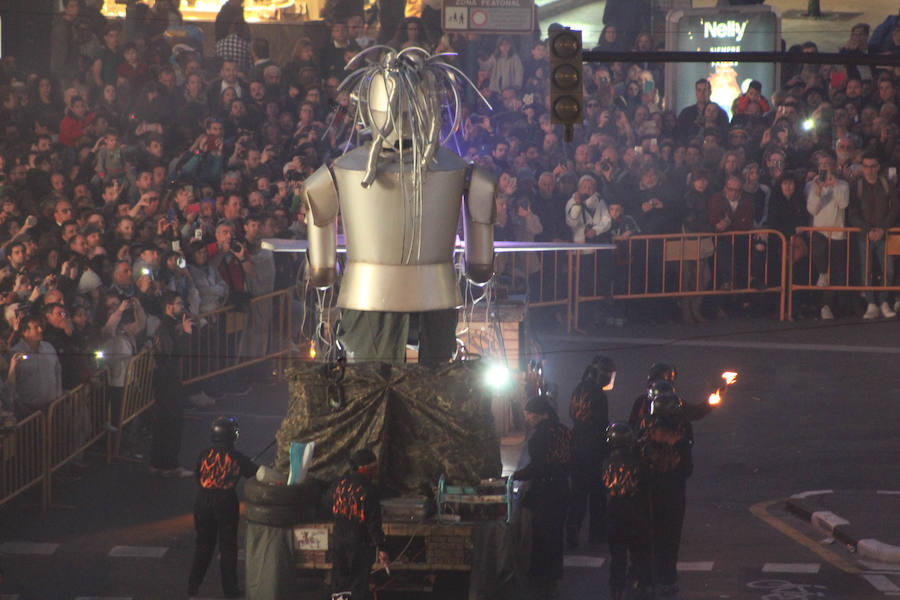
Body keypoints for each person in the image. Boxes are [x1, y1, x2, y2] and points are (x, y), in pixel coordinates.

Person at [188, 416, 259, 598]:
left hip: (202, 501)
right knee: (227, 548)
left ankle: (193, 587)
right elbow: (256, 472)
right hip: (226, 502)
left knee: (203, 544)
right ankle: (230, 590)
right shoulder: (236, 457)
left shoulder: (204, 454)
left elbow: (197, 476)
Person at [512, 396, 571, 599]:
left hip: (545, 492)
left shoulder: (539, 436)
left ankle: (541, 578)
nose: (528, 417)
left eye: (530, 414)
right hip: (562, 488)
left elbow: (536, 468)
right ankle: (554, 575)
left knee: (541, 536)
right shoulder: (563, 430)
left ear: (540, 414)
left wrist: (514, 477)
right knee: (556, 534)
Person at [638, 386, 692, 597]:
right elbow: (687, 470)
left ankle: (645, 578)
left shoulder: (645, 435)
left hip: (648, 495)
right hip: (673, 496)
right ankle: (667, 578)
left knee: (648, 537)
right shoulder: (681, 440)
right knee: (669, 539)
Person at [567, 356, 615, 548]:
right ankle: (597, 535)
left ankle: (573, 529)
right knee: (597, 495)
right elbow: (601, 423)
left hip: (577, 446)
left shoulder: (578, 389)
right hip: (593, 450)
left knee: (578, 495)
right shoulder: (597, 394)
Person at [330, 448, 389, 600]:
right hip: (359, 546)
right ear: (366, 469)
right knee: (357, 588)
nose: (375, 472)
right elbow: (373, 525)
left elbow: (328, 505)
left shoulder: (339, 484)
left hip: (338, 542)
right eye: (374, 468)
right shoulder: (370, 490)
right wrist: (382, 548)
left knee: (340, 586)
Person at [848, 152, 899, 319]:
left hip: (885, 233)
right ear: (863, 168)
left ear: (878, 167)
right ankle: (871, 303)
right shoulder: (857, 186)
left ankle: (884, 301)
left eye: (872, 166)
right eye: (866, 166)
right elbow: (853, 212)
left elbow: (895, 208)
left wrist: (883, 228)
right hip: (865, 235)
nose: (869, 170)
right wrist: (867, 230)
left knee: (889, 269)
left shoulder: (886, 184)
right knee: (866, 269)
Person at [603, 422, 651, 600]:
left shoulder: (606, 464)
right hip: (636, 513)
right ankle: (639, 585)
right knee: (639, 553)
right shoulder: (638, 464)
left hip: (615, 513)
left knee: (617, 556)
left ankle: (616, 589)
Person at [149, 292, 194, 478]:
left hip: (165, 380)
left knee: (164, 423)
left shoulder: (166, 326)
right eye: (178, 303)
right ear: (169, 306)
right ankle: (169, 464)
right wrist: (186, 334)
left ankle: (159, 462)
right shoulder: (165, 328)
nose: (181, 306)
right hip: (168, 381)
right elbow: (172, 355)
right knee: (172, 422)